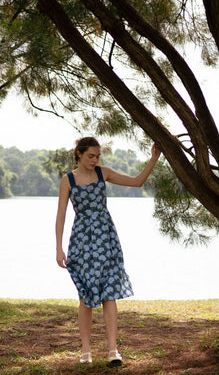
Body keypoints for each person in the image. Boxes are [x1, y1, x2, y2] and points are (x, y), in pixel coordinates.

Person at [55, 136, 161, 365]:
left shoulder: (103, 173)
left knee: (110, 292)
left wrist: (153, 159)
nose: (94, 160)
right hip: (82, 242)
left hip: (107, 239)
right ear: (79, 154)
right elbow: (61, 216)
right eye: (90, 156)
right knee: (86, 295)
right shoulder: (68, 180)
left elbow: (137, 182)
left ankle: (113, 350)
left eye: (97, 156)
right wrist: (58, 248)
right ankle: (86, 351)